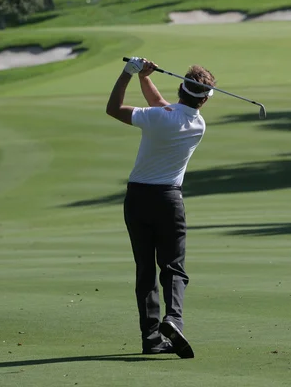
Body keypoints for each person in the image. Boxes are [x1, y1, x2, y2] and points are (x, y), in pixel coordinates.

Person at [106, 57, 216, 359]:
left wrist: (130, 73)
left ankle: (152, 339)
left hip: (137, 199)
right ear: (205, 100)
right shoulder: (197, 124)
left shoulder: (158, 117)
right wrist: (144, 77)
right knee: (173, 268)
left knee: (145, 271)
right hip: (168, 201)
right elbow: (164, 106)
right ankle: (174, 320)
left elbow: (114, 109)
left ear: (180, 88)